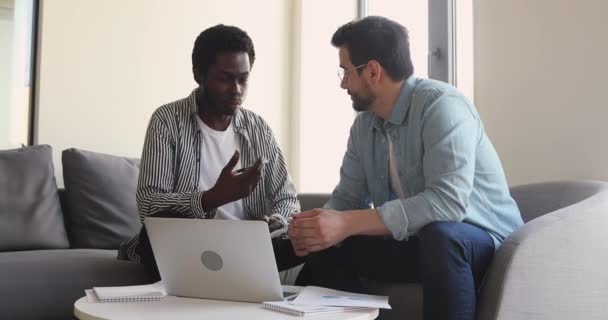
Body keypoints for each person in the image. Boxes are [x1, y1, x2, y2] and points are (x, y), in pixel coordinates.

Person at [288, 16, 524, 320]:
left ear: (372, 71)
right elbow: (348, 199)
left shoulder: (443, 106)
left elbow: (447, 204)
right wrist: (319, 228)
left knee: (442, 236)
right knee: (328, 249)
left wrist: (346, 224)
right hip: (419, 243)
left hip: (482, 244)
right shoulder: (364, 126)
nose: (343, 82)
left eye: (346, 71)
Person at [118, 24, 303, 281]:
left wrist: (276, 221)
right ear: (199, 75)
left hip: (248, 246)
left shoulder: (258, 128)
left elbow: (288, 198)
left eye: (243, 79)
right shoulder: (167, 120)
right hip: (190, 243)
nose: (236, 89)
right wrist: (212, 197)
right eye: (225, 78)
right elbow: (149, 205)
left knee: (311, 239)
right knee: (159, 227)